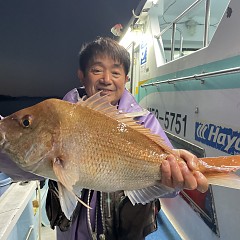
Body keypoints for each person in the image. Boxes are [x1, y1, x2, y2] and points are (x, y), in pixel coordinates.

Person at [0, 37, 208, 240]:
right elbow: (25, 168)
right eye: (97, 70)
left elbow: (168, 189)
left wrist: (175, 177)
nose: (106, 79)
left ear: (126, 79)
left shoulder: (144, 122)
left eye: (116, 72)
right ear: (82, 75)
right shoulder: (59, 118)